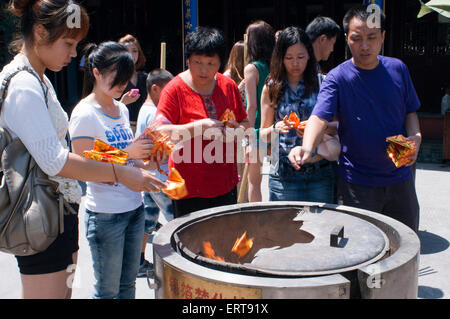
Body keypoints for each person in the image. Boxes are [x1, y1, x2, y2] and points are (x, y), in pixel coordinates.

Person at [1, 0, 165, 299]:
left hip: (56, 214)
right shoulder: (25, 84)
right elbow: (57, 160)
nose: (74, 53)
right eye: (68, 43)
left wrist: (132, 163)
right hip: (42, 217)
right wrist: (122, 171)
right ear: (39, 32)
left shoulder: (40, 79)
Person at [299, 5, 422, 233]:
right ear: (347, 39)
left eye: (372, 37)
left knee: (403, 250)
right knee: (358, 255)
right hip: (356, 184)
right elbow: (318, 117)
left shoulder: (398, 69)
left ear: (382, 37)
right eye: (357, 38)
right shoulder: (338, 77)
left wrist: (416, 136)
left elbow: (410, 112)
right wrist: (308, 147)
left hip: (400, 180)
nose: (364, 46)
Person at [69, 41, 164, 299]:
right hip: (105, 215)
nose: (123, 84)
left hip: (134, 209)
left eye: (126, 78)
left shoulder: (121, 108)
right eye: (117, 77)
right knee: (107, 291)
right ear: (96, 73)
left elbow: (129, 158)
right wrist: (128, 154)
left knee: (127, 286)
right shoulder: (84, 113)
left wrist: (151, 159)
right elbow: (83, 162)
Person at [155, 26, 250, 218]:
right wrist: (197, 128)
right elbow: (159, 131)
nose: (204, 70)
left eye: (211, 63)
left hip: (224, 183)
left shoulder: (228, 86)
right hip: (187, 188)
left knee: (224, 242)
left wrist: (237, 131)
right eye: (198, 62)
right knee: (191, 245)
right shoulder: (174, 90)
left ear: (220, 63)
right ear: (188, 60)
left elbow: (245, 123)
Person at [260, 27, 339, 203]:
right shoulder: (271, 88)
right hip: (283, 175)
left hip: (319, 171)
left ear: (309, 55)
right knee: (283, 228)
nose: (295, 63)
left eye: (300, 57)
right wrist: (276, 128)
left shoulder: (323, 84)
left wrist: (316, 127)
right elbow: (262, 134)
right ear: (280, 58)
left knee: (321, 227)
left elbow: (337, 128)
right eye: (289, 58)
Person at [135, 68, 174, 277]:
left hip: (151, 176)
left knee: (148, 221)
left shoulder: (146, 110)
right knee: (177, 221)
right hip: (160, 177)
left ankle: (138, 261)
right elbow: (163, 147)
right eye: (168, 91)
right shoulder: (154, 113)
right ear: (156, 88)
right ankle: (180, 264)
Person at [244, 20, 275, 202]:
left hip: (256, 128)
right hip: (274, 126)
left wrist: (247, 134)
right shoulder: (277, 65)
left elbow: (251, 106)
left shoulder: (252, 68)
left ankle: (255, 219)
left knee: (254, 181)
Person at [223, 40, 247, 201]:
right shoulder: (228, 76)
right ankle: (238, 200)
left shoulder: (248, 73)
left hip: (243, 125)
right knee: (236, 167)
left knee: (244, 167)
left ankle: (243, 199)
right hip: (231, 124)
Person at [118, 34, 148, 133]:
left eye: (134, 51)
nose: (131, 54)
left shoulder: (146, 78)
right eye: (126, 51)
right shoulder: (114, 79)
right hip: (122, 128)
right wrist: (122, 102)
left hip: (144, 127)